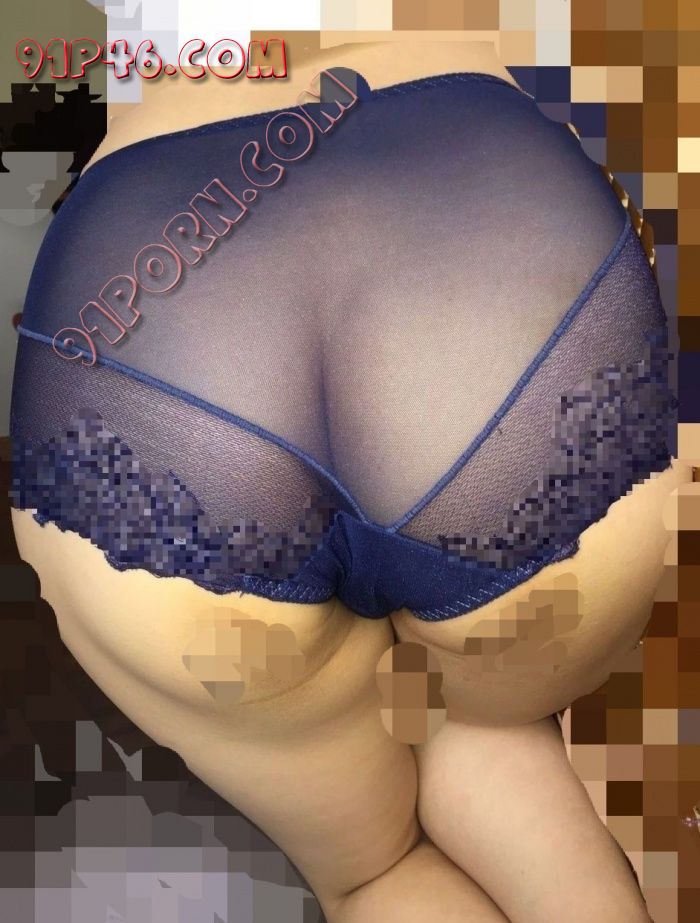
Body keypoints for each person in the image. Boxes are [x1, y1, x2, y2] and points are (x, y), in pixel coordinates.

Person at [10, 37, 685, 921]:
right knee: (493, 715)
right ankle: (479, 715)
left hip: (157, 328)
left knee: (377, 871)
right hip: (490, 257)